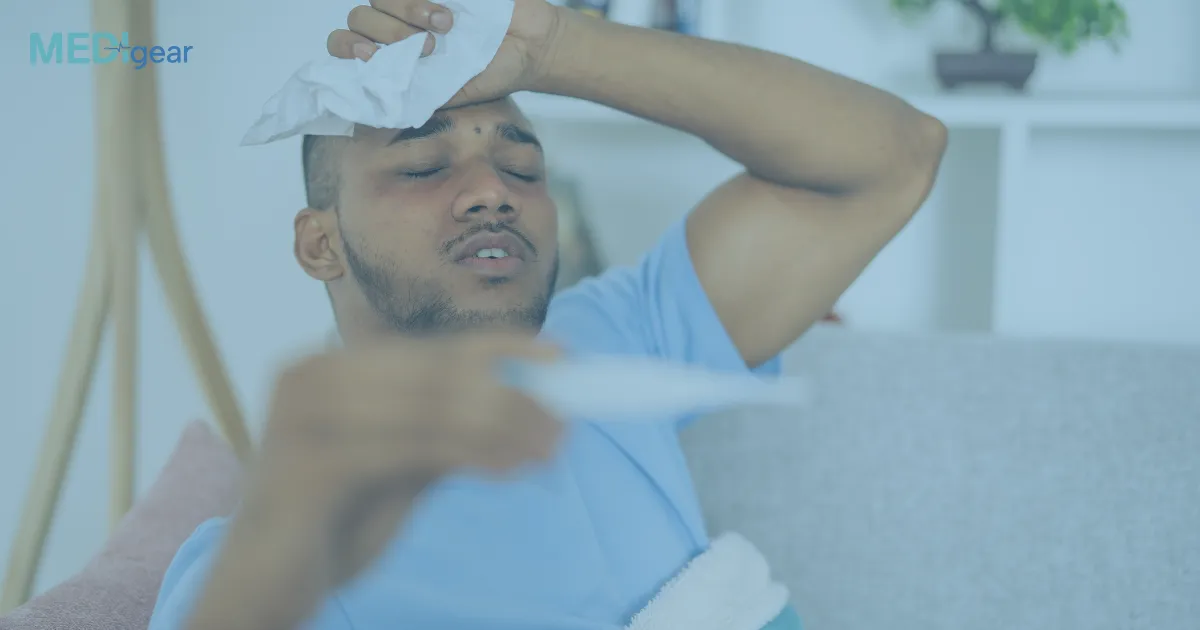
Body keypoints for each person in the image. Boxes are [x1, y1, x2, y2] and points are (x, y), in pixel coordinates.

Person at [147, 1, 948, 629]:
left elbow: (897, 155)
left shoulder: (620, 331)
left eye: (522, 166)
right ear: (319, 243)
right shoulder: (260, 562)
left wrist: (553, 45)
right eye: (423, 165)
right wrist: (275, 546)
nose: (493, 190)